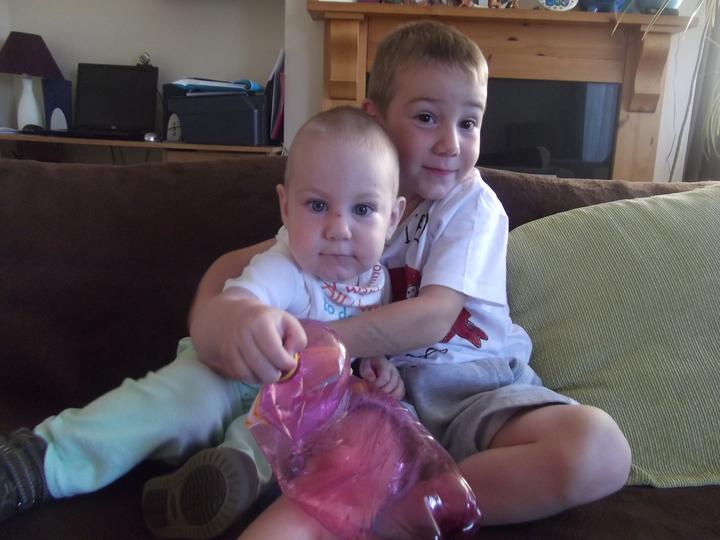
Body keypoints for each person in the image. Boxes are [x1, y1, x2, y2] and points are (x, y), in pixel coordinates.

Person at [190, 21, 632, 538]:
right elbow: (233, 267)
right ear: (375, 117)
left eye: (469, 122)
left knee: (599, 449)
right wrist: (219, 328)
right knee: (312, 493)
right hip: (375, 399)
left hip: (478, 391)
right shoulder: (346, 205)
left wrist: (312, 346)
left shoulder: (472, 206)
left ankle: (391, 512)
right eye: (427, 117)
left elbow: (434, 316)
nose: (450, 143)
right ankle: (355, 501)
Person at [0, 106, 407, 539]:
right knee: (173, 407)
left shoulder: (378, 284)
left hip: (287, 411)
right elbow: (242, 299)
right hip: (226, 377)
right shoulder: (285, 265)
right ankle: (40, 461)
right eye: (318, 205)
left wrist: (379, 367)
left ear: (392, 219)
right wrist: (250, 317)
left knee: (305, 437)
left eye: (363, 209)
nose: (339, 228)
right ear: (286, 208)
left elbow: (362, 350)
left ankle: (210, 487)